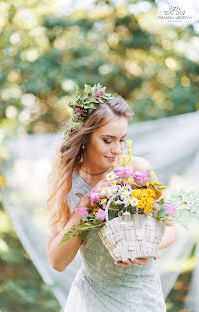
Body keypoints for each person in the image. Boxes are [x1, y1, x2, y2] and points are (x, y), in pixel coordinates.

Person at [46, 84, 177, 312]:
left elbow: (170, 228)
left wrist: (149, 248)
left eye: (122, 139)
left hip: (141, 297)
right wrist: (87, 203)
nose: (117, 150)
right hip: (92, 299)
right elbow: (57, 262)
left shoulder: (137, 171)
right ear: (85, 137)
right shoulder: (67, 183)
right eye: (107, 140)